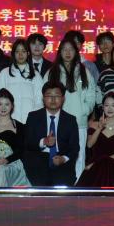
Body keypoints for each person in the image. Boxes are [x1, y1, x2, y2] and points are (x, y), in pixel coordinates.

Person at [47, 37, 99, 181]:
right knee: (59, 156)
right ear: (60, 52)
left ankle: (77, 188)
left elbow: (91, 93)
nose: (68, 52)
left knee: (79, 157)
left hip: (79, 122)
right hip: (58, 121)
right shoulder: (53, 71)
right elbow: (45, 94)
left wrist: (84, 110)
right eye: (64, 49)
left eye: (71, 49)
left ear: (76, 52)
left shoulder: (84, 71)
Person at [23, 81, 80, 186]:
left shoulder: (70, 120)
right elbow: (27, 143)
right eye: (49, 95)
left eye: (57, 95)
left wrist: (63, 159)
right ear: (43, 98)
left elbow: (74, 148)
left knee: (63, 184)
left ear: (63, 98)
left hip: (61, 161)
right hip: (39, 161)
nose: (53, 99)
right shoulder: (33, 117)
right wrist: (44, 141)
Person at [76, 92, 114, 187]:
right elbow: (89, 144)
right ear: (102, 107)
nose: (109, 109)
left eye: (113, 105)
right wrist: (99, 128)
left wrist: (96, 163)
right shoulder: (94, 125)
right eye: (106, 105)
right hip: (95, 171)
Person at [0, 38, 45, 119]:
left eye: (23, 51)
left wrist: (34, 118)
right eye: (17, 52)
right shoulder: (5, 73)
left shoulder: (35, 75)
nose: (20, 54)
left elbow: (40, 99)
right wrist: (1, 116)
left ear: (28, 53)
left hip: (30, 121)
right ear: (13, 54)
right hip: (9, 120)